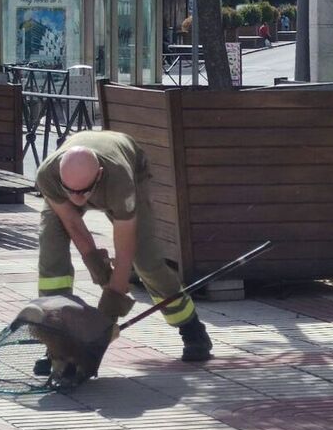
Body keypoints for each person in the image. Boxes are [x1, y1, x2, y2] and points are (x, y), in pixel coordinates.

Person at [35, 131, 214, 365]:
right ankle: (56, 343)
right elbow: (72, 223)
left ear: (98, 176)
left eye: (84, 192)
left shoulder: (120, 180)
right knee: (51, 251)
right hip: (76, 175)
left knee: (146, 261)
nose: (78, 199)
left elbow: (125, 247)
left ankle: (191, 328)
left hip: (129, 166)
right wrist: (96, 265)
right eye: (71, 191)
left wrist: (109, 310)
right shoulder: (48, 175)